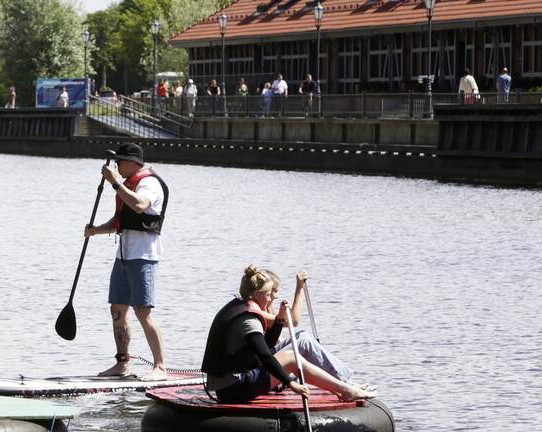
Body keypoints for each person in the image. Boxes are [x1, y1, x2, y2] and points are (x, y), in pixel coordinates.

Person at [201, 265, 376, 404]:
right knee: (291, 358)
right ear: (255, 295)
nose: (271, 299)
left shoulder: (241, 306)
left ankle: (344, 384)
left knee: (301, 338)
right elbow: (265, 356)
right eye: (269, 295)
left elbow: (266, 345)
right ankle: (346, 391)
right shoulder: (248, 320)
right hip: (233, 388)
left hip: (239, 377)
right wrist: (290, 383)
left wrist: (279, 319)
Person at [83, 143, 169, 381]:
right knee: (117, 310)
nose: (117, 166)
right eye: (117, 162)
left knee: (143, 312)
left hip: (144, 256)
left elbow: (140, 205)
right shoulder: (127, 184)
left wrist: (114, 182)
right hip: (123, 256)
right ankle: (122, 364)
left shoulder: (149, 183)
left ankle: (160, 367)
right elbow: (120, 220)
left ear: (134, 163)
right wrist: (95, 230)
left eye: (121, 162)